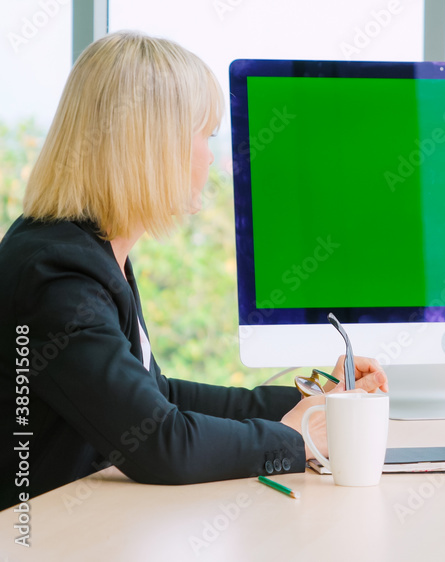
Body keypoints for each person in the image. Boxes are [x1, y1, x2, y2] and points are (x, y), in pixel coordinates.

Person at [0, 31, 387, 510]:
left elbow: (156, 399)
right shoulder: (57, 275)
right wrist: (294, 438)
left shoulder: (89, 250)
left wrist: (317, 400)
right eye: (204, 136)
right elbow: (159, 445)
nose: (210, 156)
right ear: (149, 146)